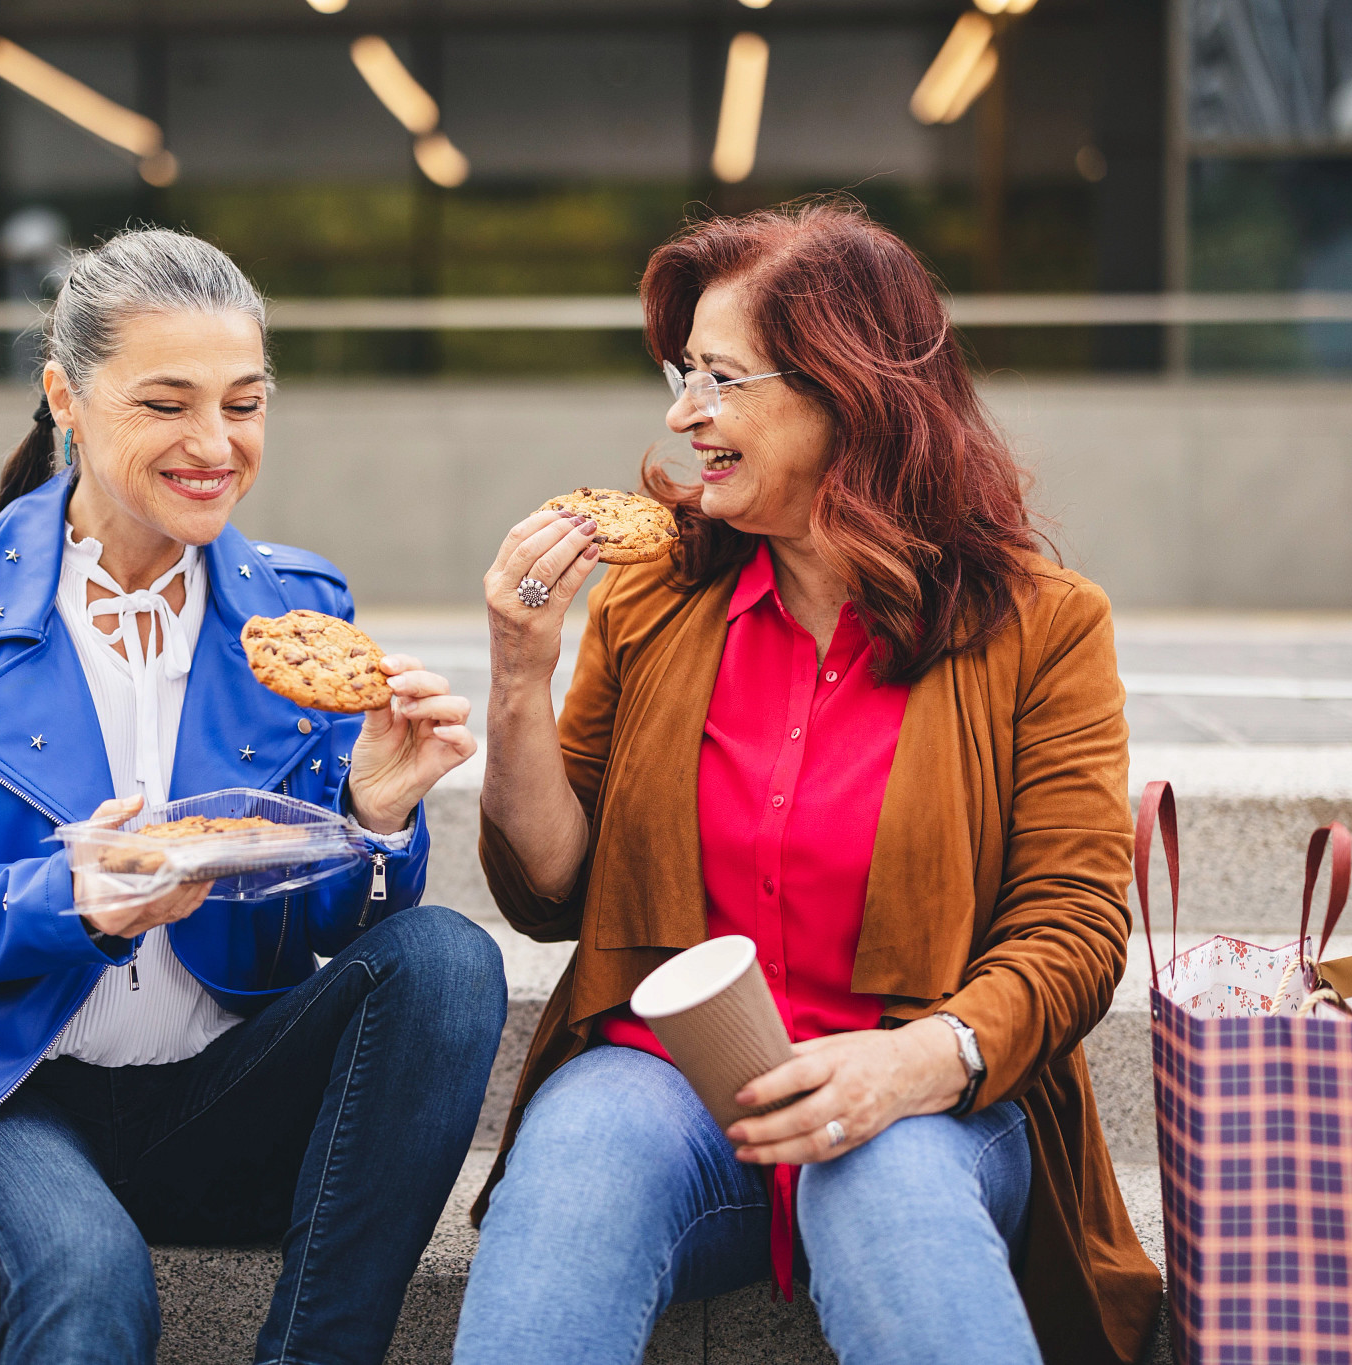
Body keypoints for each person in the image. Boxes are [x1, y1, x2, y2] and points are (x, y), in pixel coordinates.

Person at [454, 200, 1161, 1365]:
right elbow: (548, 893)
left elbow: (1074, 927)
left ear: (850, 393)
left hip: (928, 1090)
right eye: (681, 375)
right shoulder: (649, 599)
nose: (685, 415)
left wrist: (921, 1060)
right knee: (578, 1155)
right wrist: (519, 679)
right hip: (665, 1087)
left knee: (882, 1179)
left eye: (720, 378)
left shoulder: (1043, 625)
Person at [0, 227, 506, 1365]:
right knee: (91, 1281)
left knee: (447, 958)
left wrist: (375, 818)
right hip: (5, 1092)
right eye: (166, 404)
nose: (213, 445)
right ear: (65, 399)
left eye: (243, 405)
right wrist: (67, 899)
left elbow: (350, 924)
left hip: (222, 1097)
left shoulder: (300, 602)